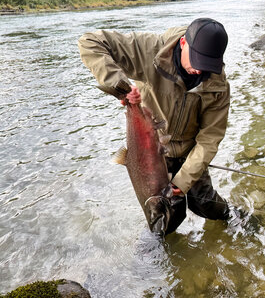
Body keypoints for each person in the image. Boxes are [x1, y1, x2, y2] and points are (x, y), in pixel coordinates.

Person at [78, 17, 232, 234]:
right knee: (164, 215)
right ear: (182, 43)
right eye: (197, 60)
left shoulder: (218, 86)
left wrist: (183, 180)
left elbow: (210, 137)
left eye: (207, 64)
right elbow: (90, 42)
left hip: (190, 151)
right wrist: (120, 86)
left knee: (204, 203)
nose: (199, 70)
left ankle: (232, 216)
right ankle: (157, 251)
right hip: (152, 150)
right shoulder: (150, 50)